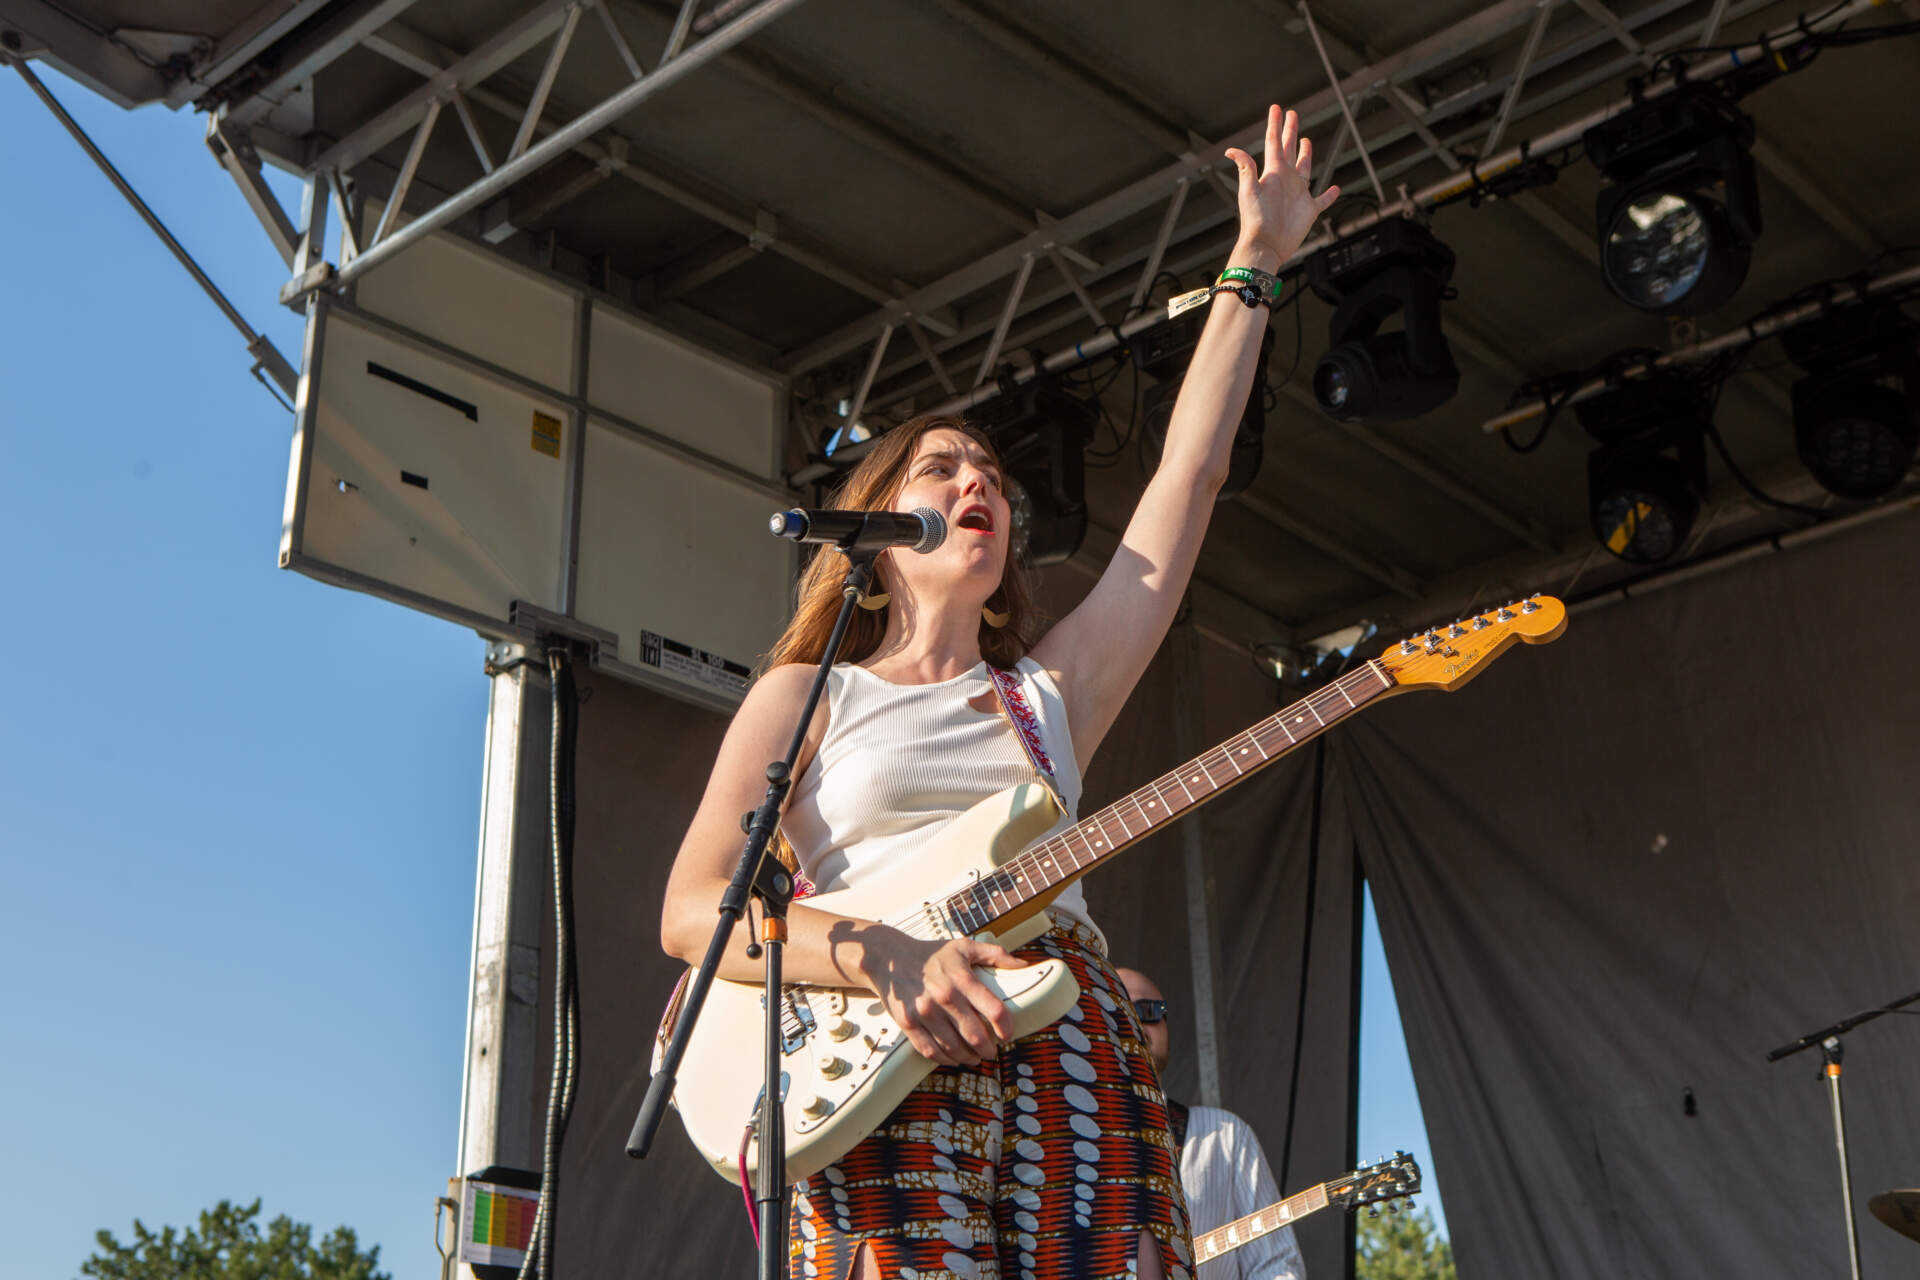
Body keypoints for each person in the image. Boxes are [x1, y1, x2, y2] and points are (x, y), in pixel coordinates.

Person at [661, 105, 1339, 1280]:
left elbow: (1190, 474)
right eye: (940, 467)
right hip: (876, 1070)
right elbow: (692, 910)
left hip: (1070, 1060)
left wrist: (1257, 267)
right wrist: (883, 955)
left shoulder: (1048, 692)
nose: (977, 479)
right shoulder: (805, 694)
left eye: (990, 474)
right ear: (879, 534)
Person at [1115, 968, 1305, 1280]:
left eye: (1150, 1011)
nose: (1138, 1023)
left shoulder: (1227, 1136)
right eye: (1120, 1010)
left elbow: (1278, 1267)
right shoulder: (1055, 1144)